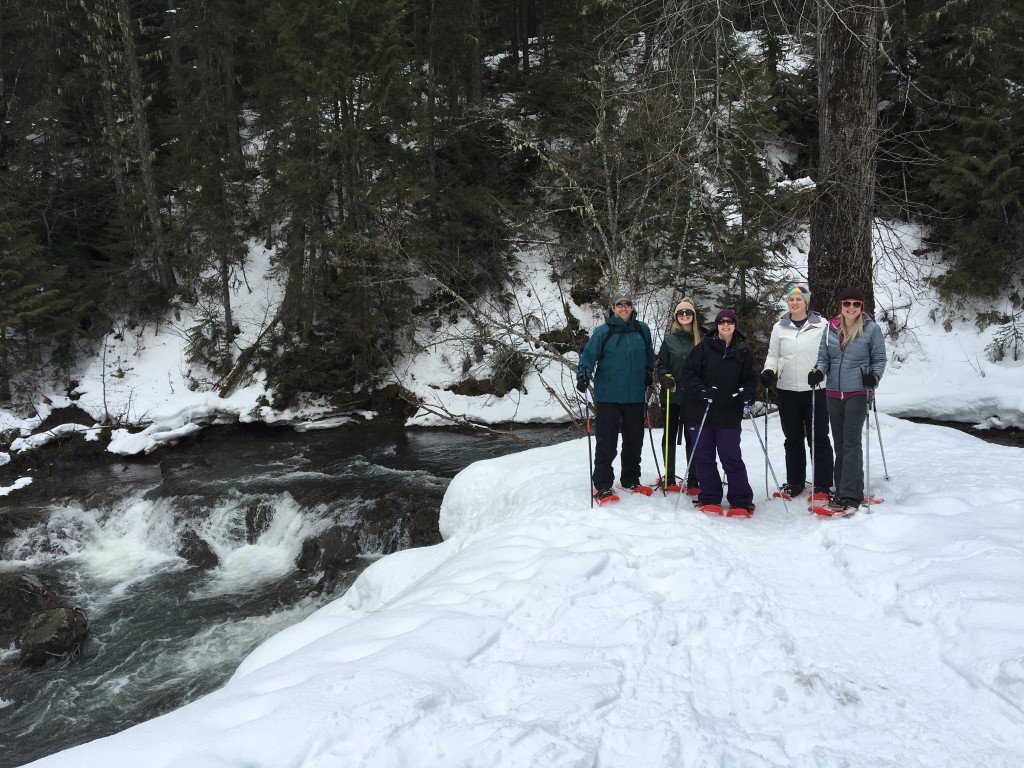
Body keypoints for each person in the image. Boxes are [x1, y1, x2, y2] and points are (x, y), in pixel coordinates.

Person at [808, 286, 887, 515]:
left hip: (857, 392)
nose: (851, 308)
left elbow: (879, 359)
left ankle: (850, 495)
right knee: (840, 443)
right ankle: (845, 487)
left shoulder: (871, 329)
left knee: (851, 442)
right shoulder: (829, 329)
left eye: (856, 304)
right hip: (833, 392)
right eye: (847, 303)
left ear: (862, 307)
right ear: (840, 306)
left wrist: (874, 376)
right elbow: (823, 357)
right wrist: (819, 372)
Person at [576, 290, 656, 501]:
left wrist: (649, 373)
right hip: (608, 396)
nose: (623, 308)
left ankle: (630, 479)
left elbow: (649, 355)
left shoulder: (642, 329)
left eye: (627, 304)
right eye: (619, 305)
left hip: (635, 396)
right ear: (613, 308)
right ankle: (602, 485)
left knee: (634, 441)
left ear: (632, 308)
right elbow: (588, 357)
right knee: (607, 442)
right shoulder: (603, 332)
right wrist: (583, 375)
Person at [760, 284, 833, 501]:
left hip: (815, 389)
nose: (794, 302)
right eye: (791, 299)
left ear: (806, 302)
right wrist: (768, 371)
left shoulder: (822, 325)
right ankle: (795, 482)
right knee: (792, 438)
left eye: (799, 299)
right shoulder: (779, 327)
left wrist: (820, 372)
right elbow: (774, 355)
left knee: (818, 437)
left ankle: (822, 484)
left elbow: (828, 354)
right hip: (788, 389)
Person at [681, 308, 757, 516]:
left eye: (729, 322)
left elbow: (750, 380)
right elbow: (688, 376)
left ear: (735, 325)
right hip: (701, 411)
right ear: (717, 325)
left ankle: (741, 499)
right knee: (704, 456)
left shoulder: (743, 351)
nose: (725, 325)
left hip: (728, 412)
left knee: (730, 456)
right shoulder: (703, 348)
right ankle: (710, 496)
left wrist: (747, 393)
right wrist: (702, 390)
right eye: (722, 322)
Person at [655, 298, 702, 493]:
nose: (684, 316)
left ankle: (694, 478)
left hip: (693, 397)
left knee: (693, 436)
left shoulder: (701, 340)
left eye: (688, 313)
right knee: (670, 435)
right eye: (681, 313)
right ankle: (670, 476)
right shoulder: (669, 339)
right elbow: (662, 364)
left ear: (693, 316)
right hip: (672, 396)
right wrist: (663, 377)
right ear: (676, 317)